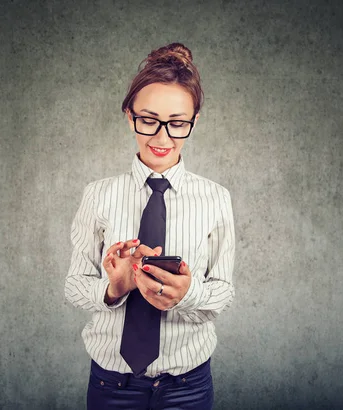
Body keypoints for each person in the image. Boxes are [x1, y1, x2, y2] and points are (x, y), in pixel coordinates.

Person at [65, 42, 236, 410]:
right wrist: (115, 288)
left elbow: (223, 291)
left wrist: (186, 294)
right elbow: (74, 286)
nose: (162, 138)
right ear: (130, 116)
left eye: (177, 124)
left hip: (187, 386)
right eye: (149, 120)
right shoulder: (98, 195)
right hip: (112, 384)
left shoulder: (216, 197)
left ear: (194, 121)